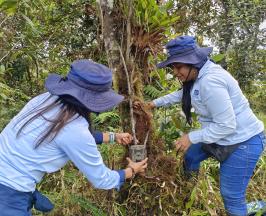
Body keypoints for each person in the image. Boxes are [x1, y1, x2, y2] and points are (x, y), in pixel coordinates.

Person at [135, 36, 265, 216]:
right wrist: (153, 104)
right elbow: (180, 95)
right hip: (219, 136)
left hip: (243, 142)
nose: (175, 72)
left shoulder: (210, 82)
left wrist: (191, 137)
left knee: (232, 198)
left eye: (178, 66)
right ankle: (189, 195)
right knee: (191, 157)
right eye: (173, 67)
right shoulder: (196, 78)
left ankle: (257, 208)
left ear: (192, 62)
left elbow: (226, 125)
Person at [0, 59, 148, 216]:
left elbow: (64, 136)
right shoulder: (75, 130)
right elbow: (101, 179)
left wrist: (113, 137)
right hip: (9, 194)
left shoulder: (45, 99)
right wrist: (131, 170)